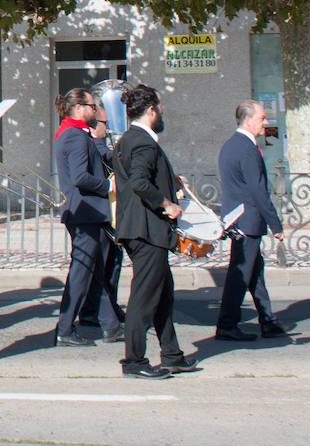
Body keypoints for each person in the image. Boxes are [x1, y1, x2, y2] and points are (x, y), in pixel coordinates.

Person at [112, 84, 199, 379]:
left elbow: (138, 175)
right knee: (143, 298)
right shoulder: (144, 142)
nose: (163, 112)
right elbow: (138, 181)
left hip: (140, 229)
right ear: (151, 111)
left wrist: (170, 179)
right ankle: (134, 362)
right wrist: (167, 204)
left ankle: (172, 354)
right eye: (160, 107)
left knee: (163, 293)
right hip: (147, 230)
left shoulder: (128, 139)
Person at [53, 88, 123, 346]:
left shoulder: (74, 133)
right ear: (80, 108)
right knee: (82, 271)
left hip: (86, 211)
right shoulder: (75, 136)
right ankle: (65, 329)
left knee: (92, 270)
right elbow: (80, 177)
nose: (95, 111)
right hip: (85, 211)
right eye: (93, 106)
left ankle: (110, 325)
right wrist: (108, 187)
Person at [215, 100, 290, 341]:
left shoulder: (230, 145)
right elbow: (259, 191)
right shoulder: (246, 148)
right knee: (240, 276)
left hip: (238, 219)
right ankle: (227, 325)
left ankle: (268, 321)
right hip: (247, 220)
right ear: (248, 120)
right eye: (262, 118)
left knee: (254, 272)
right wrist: (275, 225)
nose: (266, 123)